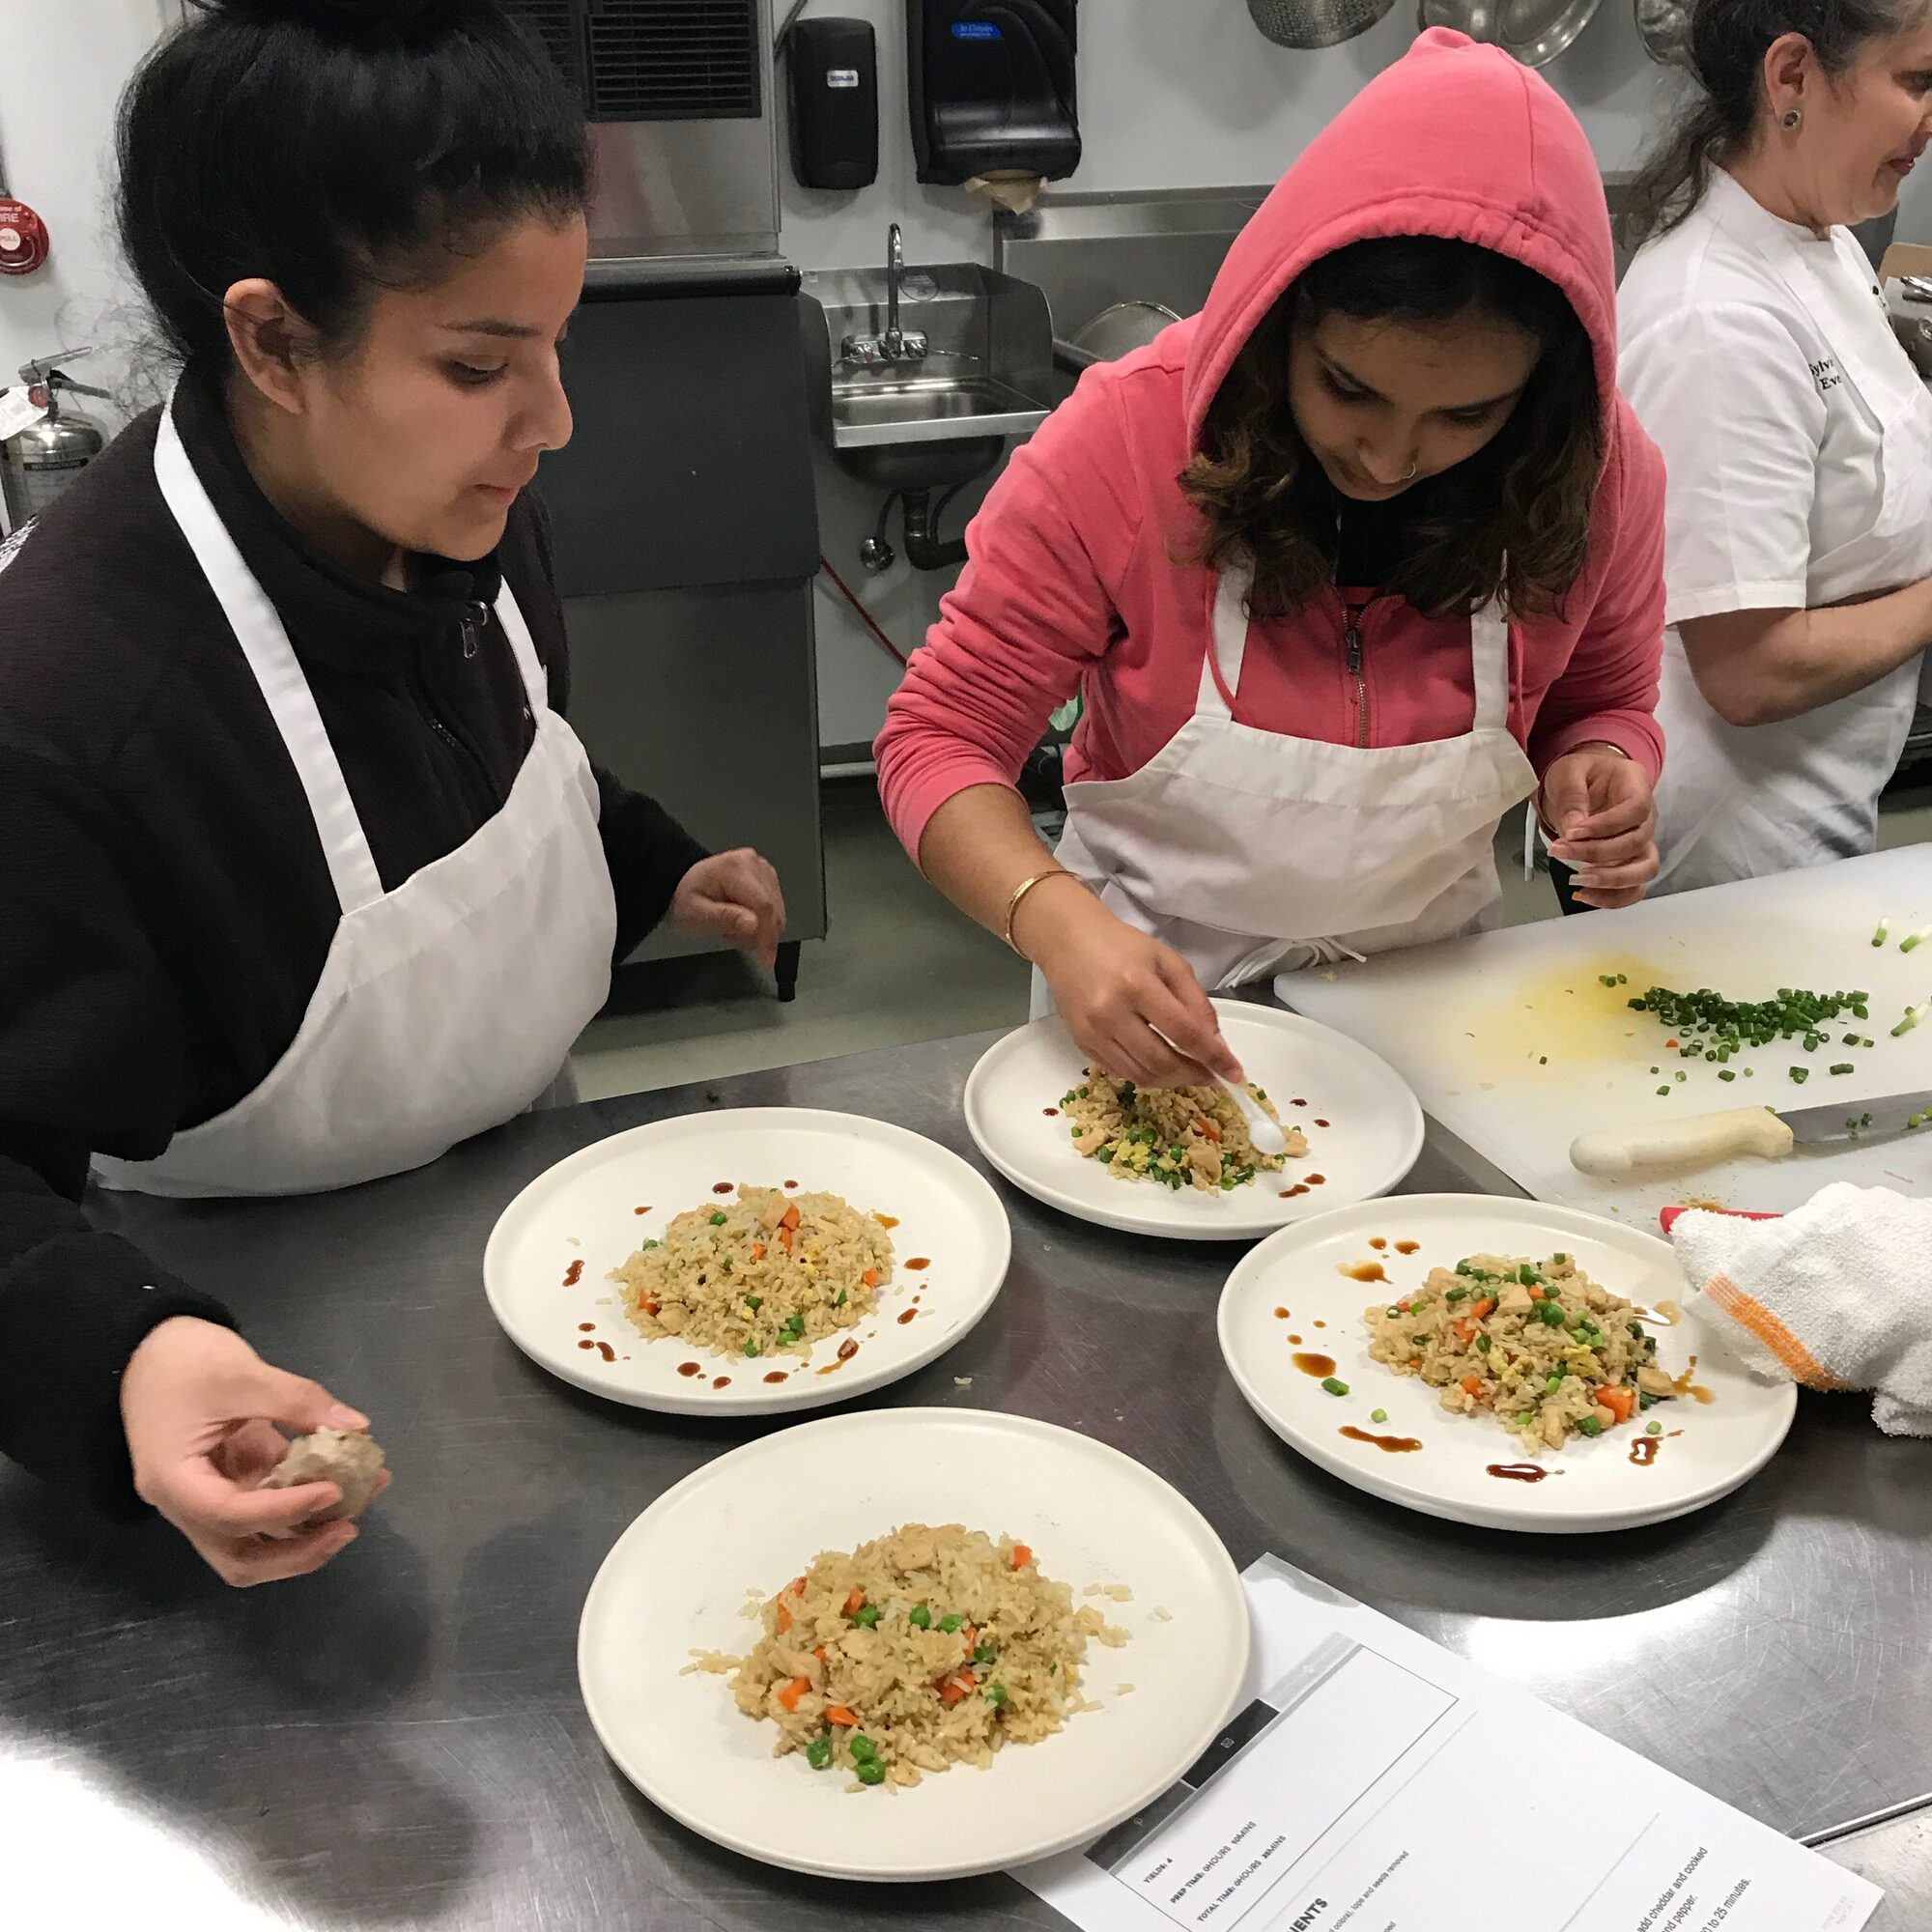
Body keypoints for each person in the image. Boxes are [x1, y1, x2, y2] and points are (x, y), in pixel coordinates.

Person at [0, 0, 784, 1583]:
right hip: (253, 1372)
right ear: (273, 339)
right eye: (482, 364)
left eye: (557, 345)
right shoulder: (70, 706)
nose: (551, 425)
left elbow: (502, 766)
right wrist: (135, 1362)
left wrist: (648, 870)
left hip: (545, 1250)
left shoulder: (456, 512)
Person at [875, 30, 1666, 1092]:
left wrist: (1605, 768)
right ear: (1278, 318)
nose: (1388, 458)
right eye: (1348, 388)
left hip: (1438, 1010)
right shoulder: (1123, 444)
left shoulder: (1595, 474)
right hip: (1145, 999)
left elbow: (1604, 699)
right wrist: (1054, 921)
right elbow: (940, 736)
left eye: (1465, 414)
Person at [1618, 0, 1932, 893]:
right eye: (1916, 80)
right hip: (1733, 843)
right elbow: (1750, 671)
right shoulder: (1712, 317)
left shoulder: (1815, 236)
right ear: (1791, 76)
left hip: (1820, 797)